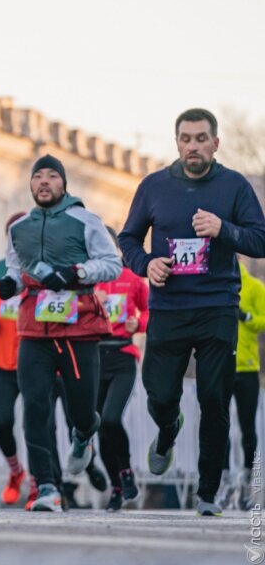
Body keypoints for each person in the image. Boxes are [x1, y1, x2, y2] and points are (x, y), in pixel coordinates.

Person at [119, 108, 265, 516]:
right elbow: (128, 238)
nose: (193, 146)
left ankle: (207, 494)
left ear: (215, 144)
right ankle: (168, 429)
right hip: (169, 307)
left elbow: (260, 239)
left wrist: (225, 230)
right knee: (159, 392)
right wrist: (146, 263)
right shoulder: (154, 187)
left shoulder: (234, 186)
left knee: (213, 398)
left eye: (201, 138)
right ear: (177, 142)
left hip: (217, 305)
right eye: (186, 138)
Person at [0, 154, 121, 512]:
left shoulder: (85, 220)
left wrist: (75, 272)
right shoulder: (18, 227)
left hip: (78, 326)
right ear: (31, 185)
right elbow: (15, 268)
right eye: (38, 177)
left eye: (52, 176)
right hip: (33, 329)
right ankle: (46, 487)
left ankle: (84, 435)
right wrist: (10, 283)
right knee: (34, 407)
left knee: (82, 411)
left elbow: (112, 264)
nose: (45, 182)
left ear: (63, 184)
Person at [94, 226, 149, 511]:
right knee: (100, 427)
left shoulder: (131, 279)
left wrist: (137, 324)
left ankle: (126, 471)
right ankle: (117, 485)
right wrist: (90, 304)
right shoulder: (87, 283)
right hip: (94, 357)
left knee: (111, 418)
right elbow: (65, 313)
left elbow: (152, 311)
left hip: (123, 355)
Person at [0, 212, 30, 506]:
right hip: (2, 360)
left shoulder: (39, 268)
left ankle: (43, 482)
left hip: (35, 360)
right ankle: (16, 472)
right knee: (2, 422)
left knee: (37, 425)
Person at [218, 264, 265, 510]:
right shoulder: (215, 285)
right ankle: (224, 481)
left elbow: (264, 321)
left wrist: (247, 317)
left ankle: (247, 483)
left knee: (248, 428)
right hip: (221, 365)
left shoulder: (255, 287)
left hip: (247, 367)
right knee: (219, 425)